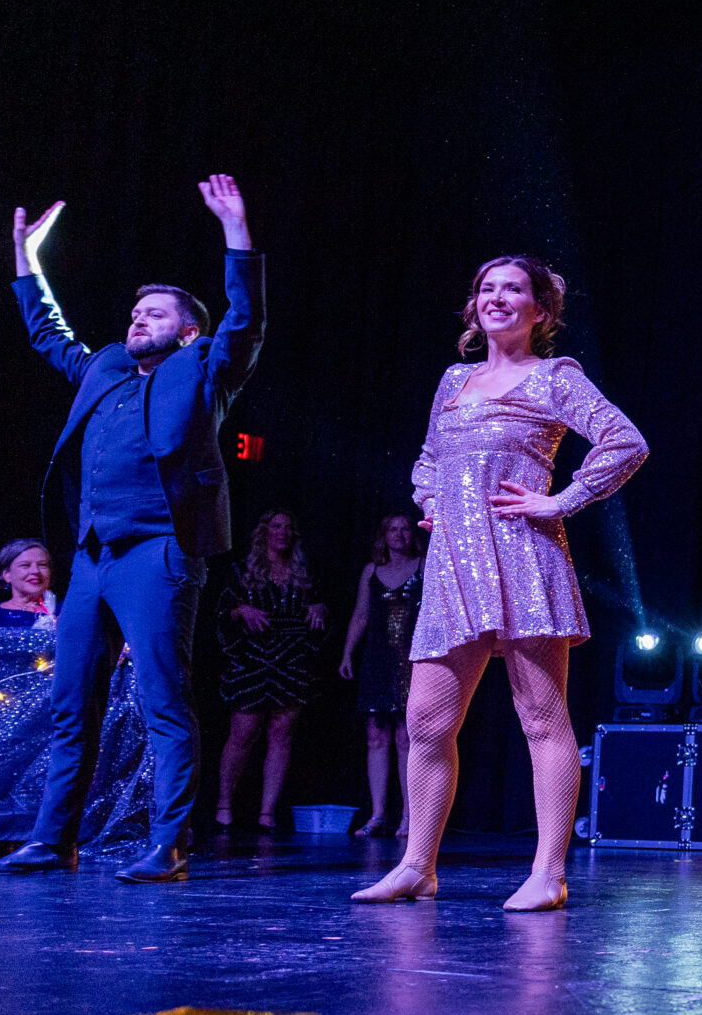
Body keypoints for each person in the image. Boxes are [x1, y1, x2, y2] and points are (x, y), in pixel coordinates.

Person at [0, 176, 264, 883]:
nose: (136, 319)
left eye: (153, 313)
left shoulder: (205, 366)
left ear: (186, 331)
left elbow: (246, 320)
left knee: (164, 700)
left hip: (159, 552)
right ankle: (53, 840)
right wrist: (26, 258)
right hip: (91, 559)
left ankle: (170, 843)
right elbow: (48, 333)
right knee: (71, 704)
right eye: (134, 311)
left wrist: (235, 230)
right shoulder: (104, 366)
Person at [352, 256, 647, 911]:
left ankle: (548, 873)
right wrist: (432, 498)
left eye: (513, 289)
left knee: (541, 717)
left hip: (525, 559)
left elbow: (625, 442)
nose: (496, 297)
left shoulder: (555, 377)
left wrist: (562, 499)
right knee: (425, 721)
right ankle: (416, 865)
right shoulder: (454, 379)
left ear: (540, 310)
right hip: (452, 565)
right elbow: (429, 458)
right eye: (487, 287)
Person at [214, 509, 326, 831]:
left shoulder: (303, 571)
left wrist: (318, 608)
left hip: (291, 658)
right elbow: (222, 612)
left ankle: (267, 812)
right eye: (277, 526)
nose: (282, 532)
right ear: (264, 531)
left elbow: (320, 605)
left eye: (288, 527)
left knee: (281, 732)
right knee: (243, 732)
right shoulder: (243, 570)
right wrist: (241, 610)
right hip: (252, 657)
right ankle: (224, 803)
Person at [338, 512, 426, 836]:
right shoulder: (371, 571)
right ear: (384, 535)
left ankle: (408, 816)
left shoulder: (422, 566)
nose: (399, 534)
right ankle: (377, 814)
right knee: (376, 736)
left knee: (406, 736)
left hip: (410, 659)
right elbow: (360, 615)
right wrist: (347, 653)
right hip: (378, 659)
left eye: (405, 529)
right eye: (393, 529)